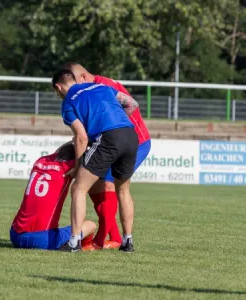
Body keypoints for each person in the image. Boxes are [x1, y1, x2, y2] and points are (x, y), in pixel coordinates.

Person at [52, 69, 139, 253]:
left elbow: (81, 137)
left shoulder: (68, 102)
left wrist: (77, 168)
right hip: (130, 135)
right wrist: (119, 122)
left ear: (58, 87)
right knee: (123, 191)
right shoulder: (101, 86)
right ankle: (127, 241)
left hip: (108, 138)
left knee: (78, 188)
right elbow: (131, 104)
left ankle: (74, 242)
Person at [67, 63, 151, 250]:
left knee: (106, 184)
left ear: (81, 78)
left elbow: (129, 107)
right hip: (121, 139)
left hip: (133, 140)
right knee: (98, 185)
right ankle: (119, 238)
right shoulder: (97, 87)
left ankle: (103, 240)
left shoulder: (102, 86)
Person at [10, 142, 96, 250]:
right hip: (41, 239)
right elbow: (89, 158)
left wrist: (76, 140)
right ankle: (85, 245)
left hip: (15, 235)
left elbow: (62, 149)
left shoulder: (40, 161)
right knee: (91, 225)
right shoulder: (68, 168)